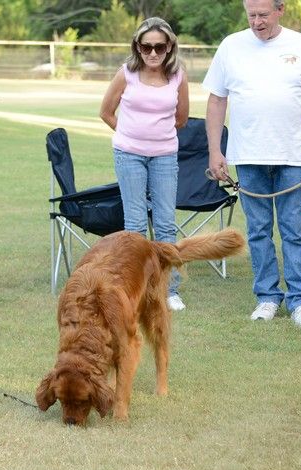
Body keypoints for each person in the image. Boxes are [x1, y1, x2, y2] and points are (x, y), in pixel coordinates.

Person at [203, 0, 301, 327]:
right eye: (251, 15)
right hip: (248, 157)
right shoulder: (230, 46)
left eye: (263, 15)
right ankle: (267, 297)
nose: (257, 22)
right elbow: (217, 100)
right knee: (258, 231)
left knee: (294, 230)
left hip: (292, 157)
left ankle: (300, 301)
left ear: (280, 9)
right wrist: (215, 151)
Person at [99, 17, 190, 311]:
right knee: (135, 226)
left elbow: (181, 119)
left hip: (164, 156)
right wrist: (129, 135)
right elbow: (106, 112)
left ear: (169, 47)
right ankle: (134, 288)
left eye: (159, 47)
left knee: (165, 223)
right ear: (137, 47)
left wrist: (155, 137)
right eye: (146, 46)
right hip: (129, 156)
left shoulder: (178, 76)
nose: (152, 53)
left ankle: (168, 290)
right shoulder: (126, 74)